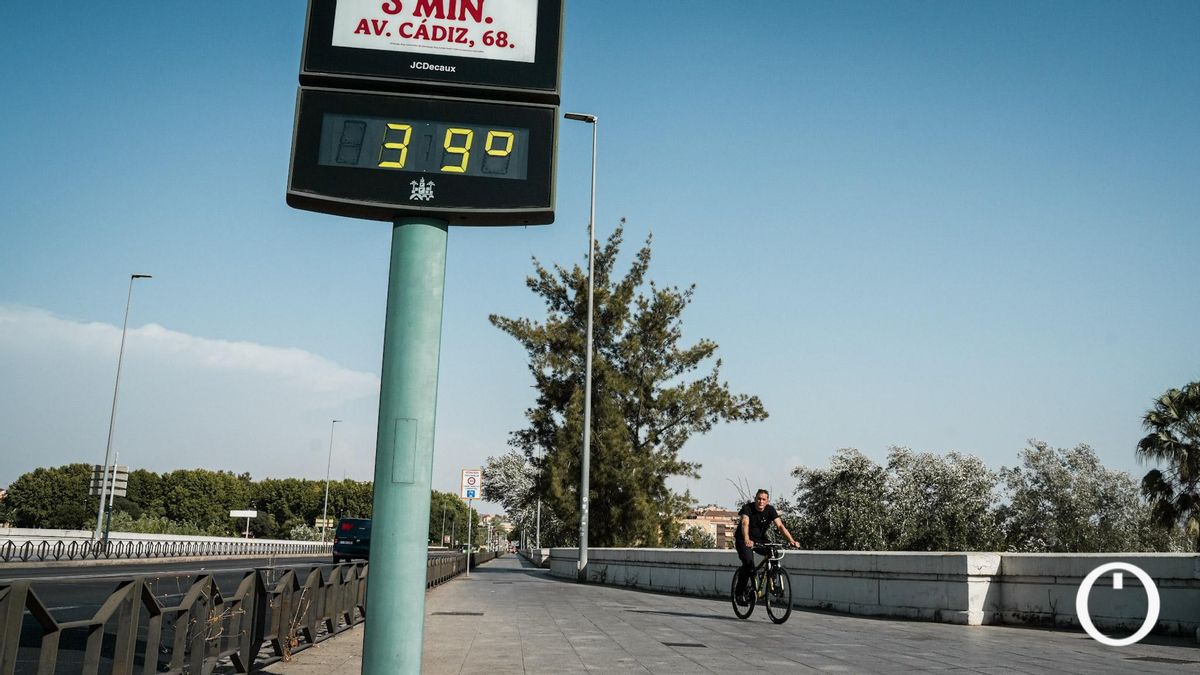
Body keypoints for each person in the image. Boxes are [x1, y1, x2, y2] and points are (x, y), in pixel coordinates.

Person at [734, 489, 798, 603]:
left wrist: (791, 540)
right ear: (755, 499)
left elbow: (780, 526)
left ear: (767, 501)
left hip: (759, 539)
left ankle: (772, 578)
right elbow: (745, 523)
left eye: (763, 499)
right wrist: (746, 539)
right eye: (759, 499)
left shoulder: (770, 510)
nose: (761, 501)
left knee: (774, 552)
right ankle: (739, 593)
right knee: (748, 565)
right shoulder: (747, 508)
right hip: (743, 539)